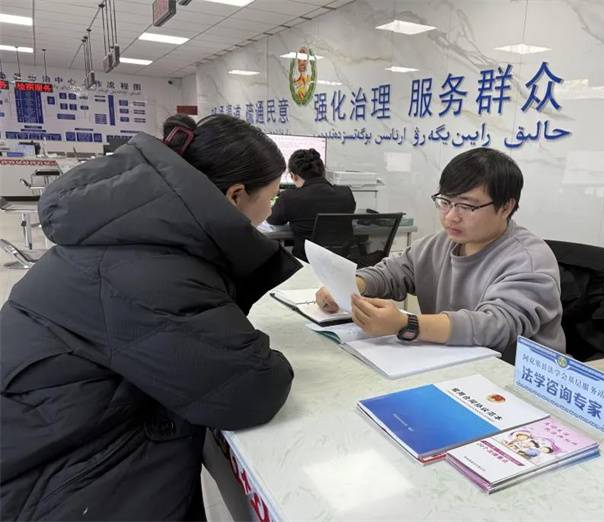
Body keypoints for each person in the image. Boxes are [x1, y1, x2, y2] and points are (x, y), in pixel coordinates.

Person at [0, 114, 301, 520]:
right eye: (271, 198)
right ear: (235, 195)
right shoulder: (156, 266)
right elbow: (251, 388)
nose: (269, 210)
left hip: (45, 431)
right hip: (49, 478)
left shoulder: (127, 229)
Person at [316, 147, 565, 362]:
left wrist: (407, 324)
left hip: (514, 379)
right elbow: (393, 271)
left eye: (467, 206)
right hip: (452, 362)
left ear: (506, 207)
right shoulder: (440, 243)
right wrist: (351, 285)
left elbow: (494, 327)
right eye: (445, 202)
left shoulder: (529, 260)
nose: (451, 216)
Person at [267, 148, 355, 261]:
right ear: (323, 172)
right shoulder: (346, 193)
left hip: (307, 263)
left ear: (293, 176)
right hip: (341, 262)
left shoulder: (289, 197)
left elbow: (273, 220)